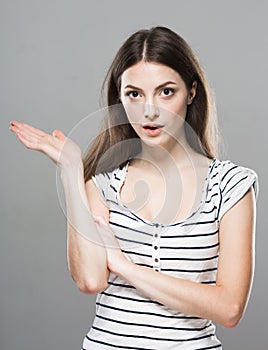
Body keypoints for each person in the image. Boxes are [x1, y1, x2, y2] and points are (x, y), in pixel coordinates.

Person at [9, 26, 259, 349]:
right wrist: (72, 171)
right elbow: (90, 279)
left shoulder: (231, 185)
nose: (149, 110)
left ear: (192, 91)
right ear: (121, 97)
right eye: (134, 94)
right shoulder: (102, 184)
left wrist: (126, 267)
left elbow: (229, 308)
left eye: (166, 91)